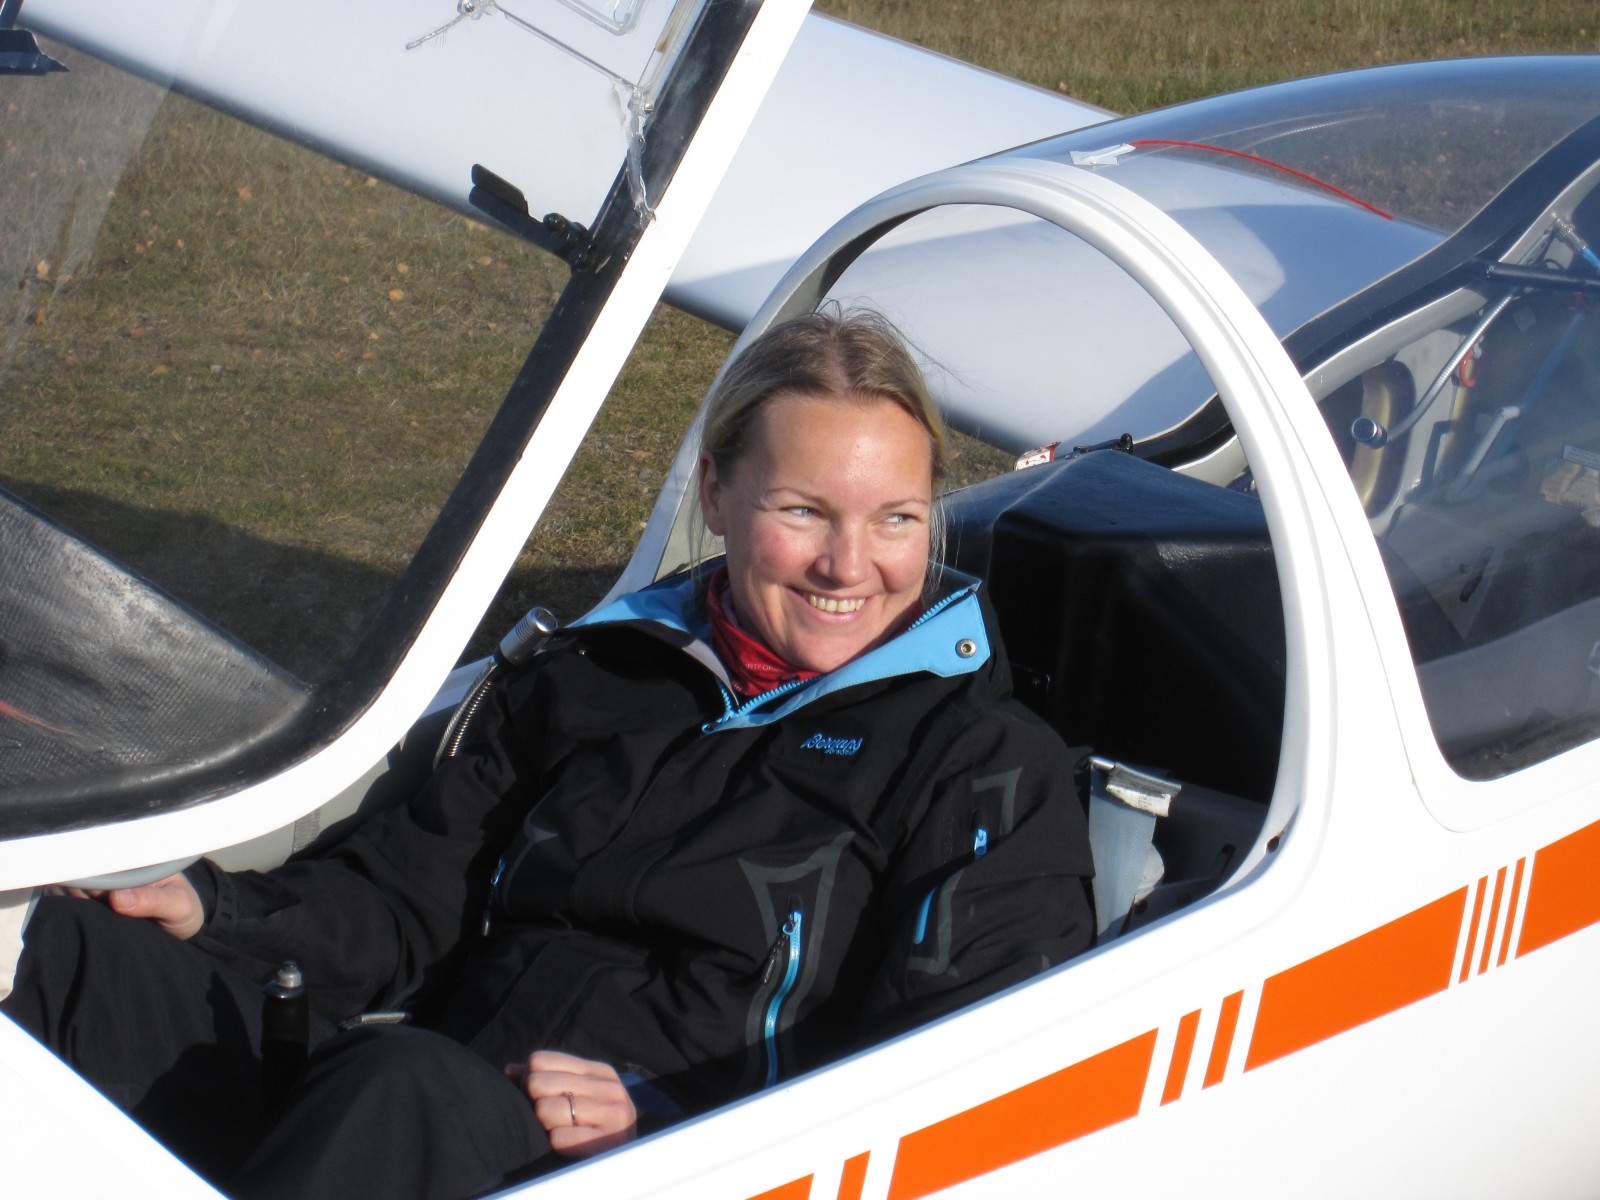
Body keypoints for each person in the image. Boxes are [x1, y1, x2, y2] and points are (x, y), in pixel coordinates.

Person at [3, 309, 1094, 1199]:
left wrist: (671, 1122)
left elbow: (960, 1089)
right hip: (418, 1103)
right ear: (716, 493)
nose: (849, 566)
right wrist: (211, 908)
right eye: (805, 511)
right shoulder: (597, 674)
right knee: (69, 951)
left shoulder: (981, 766)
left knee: (402, 1087)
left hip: (667, 1165)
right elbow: (401, 906)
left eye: (896, 519)